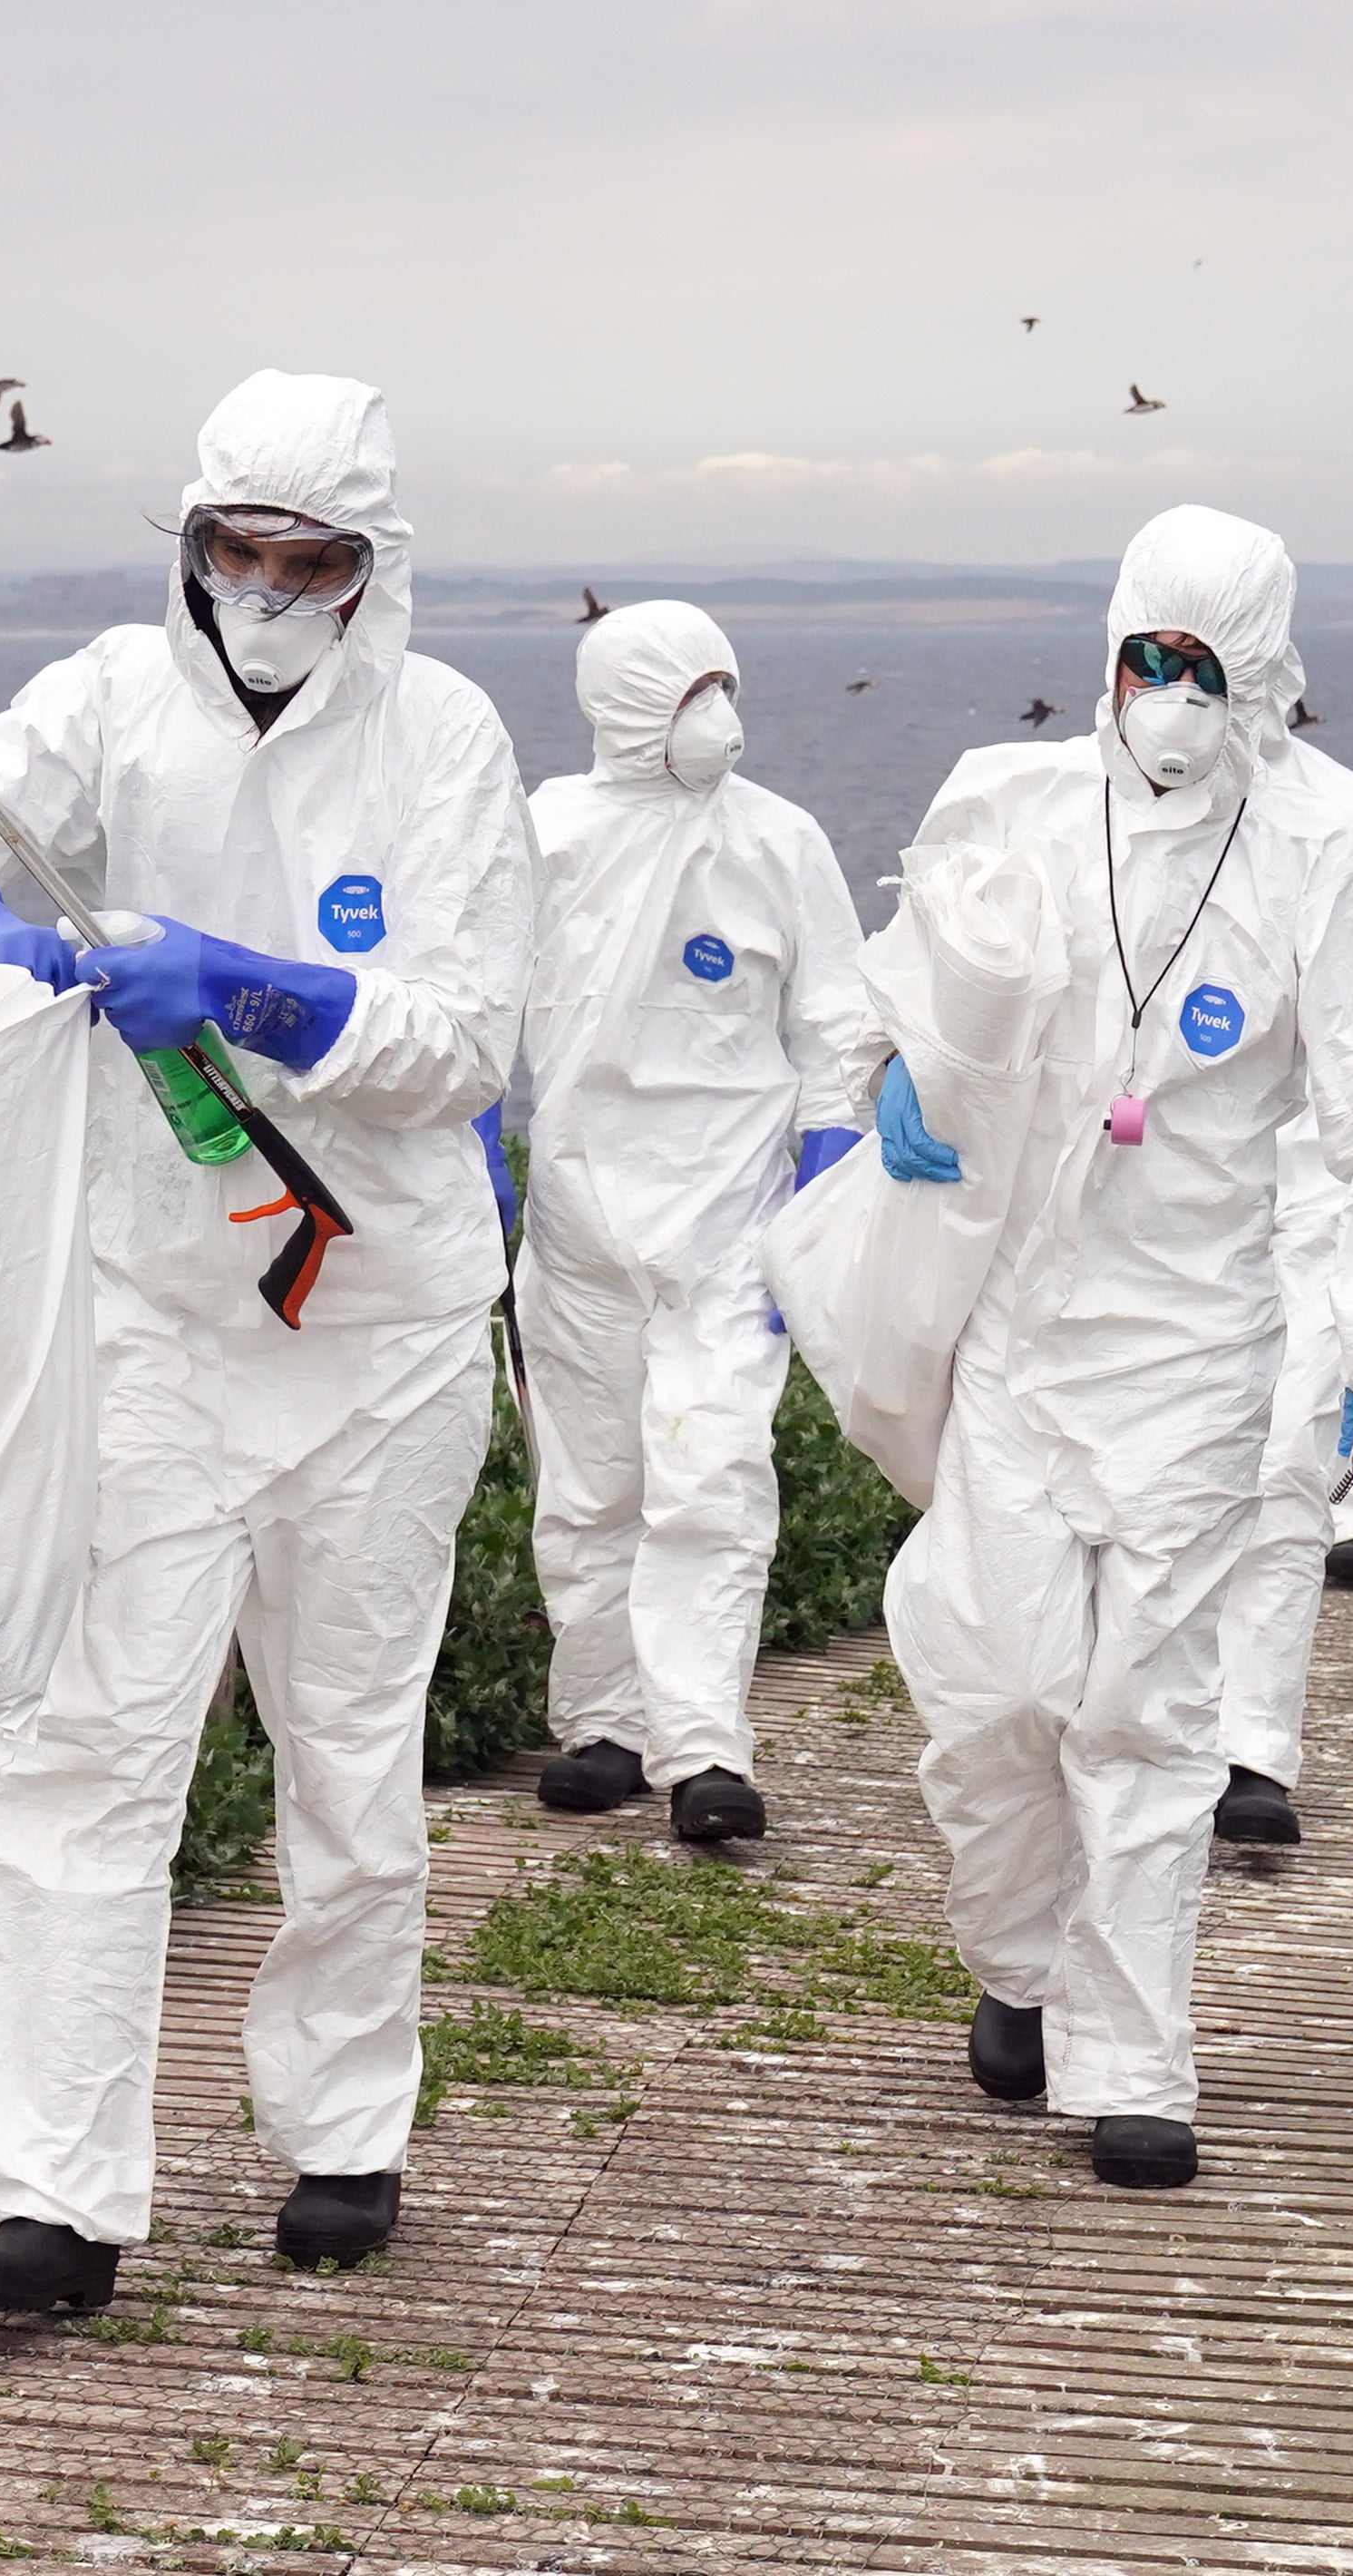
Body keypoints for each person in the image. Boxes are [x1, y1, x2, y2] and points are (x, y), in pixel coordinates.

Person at [0, 370, 531, 2314]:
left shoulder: (451, 738)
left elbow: (467, 1035)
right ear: (193, 546)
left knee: (352, 1758)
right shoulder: (111, 704)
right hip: (159, 1322)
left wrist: (262, 995)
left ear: (377, 567)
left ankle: (345, 2126)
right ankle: (50, 2192)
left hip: (379, 1334)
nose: (274, 590)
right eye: (241, 550)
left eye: (316, 560)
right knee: (72, 1740)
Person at [871, 505, 1353, 2186]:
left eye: (1207, 669)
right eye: (1149, 660)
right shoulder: (1012, 799)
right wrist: (884, 1084)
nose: (1172, 696)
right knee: (993, 1686)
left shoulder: (1330, 842)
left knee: (1141, 1701)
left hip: (1200, 1335)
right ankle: (1016, 1955)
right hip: (1018, 1315)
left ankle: (1133, 2060)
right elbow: (892, 985)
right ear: (1108, 653)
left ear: (1262, 676)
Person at [508, 601, 871, 1845]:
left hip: (728, 1215)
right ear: (622, 702)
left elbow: (835, 1022)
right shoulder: (544, 836)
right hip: (578, 1214)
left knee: (713, 1471)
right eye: (685, 690)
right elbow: (480, 1000)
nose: (715, 716)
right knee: (593, 1477)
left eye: (721, 684)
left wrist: (824, 1182)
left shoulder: (779, 839)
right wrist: (466, 1149)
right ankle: (603, 1721)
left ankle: (704, 1745)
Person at [1205, 660, 1353, 1848]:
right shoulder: (1072, 812)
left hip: (1301, 1214)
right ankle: (1130, 1746)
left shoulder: (1343, 829)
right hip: (1132, 1225)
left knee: (1280, 1479)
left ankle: (1251, 1749)